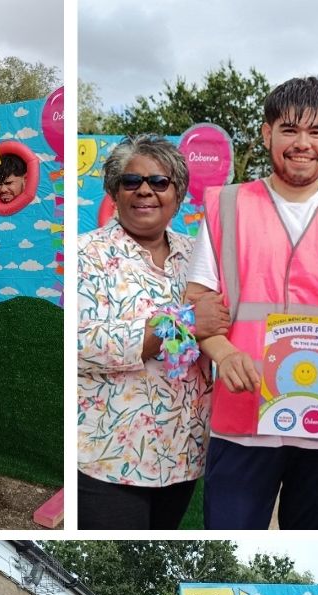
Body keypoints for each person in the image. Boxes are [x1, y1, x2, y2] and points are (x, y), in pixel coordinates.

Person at [184, 76, 318, 530]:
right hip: (242, 422)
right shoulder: (227, 205)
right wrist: (223, 351)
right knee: (231, 547)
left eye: (316, 132)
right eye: (289, 130)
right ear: (267, 134)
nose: (302, 144)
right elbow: (196, 301)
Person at [78, 135, 231, 529]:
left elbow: (225, 323)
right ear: (115, 192)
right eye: (131, 181)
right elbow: (80, 343)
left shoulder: (199, 256)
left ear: (177, 194)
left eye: (159, 182)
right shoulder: (86, 255)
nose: (145, 190)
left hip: (184, 454)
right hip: (110, 458)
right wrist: (182, 325)